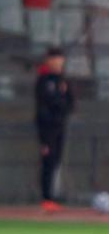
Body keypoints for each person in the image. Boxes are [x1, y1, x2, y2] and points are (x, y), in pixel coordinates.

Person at [35, 47, 74, 211]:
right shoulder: (43, 81)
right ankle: (46, 197)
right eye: (55, 59)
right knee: (48, 162)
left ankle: (52, 196)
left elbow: (70, 104)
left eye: (60, 59)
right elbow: (46, 104)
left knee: (56, 161)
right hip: (47, 128)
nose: (58, 63)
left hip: (60, 126)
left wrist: (63, 96)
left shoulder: (63, 81)